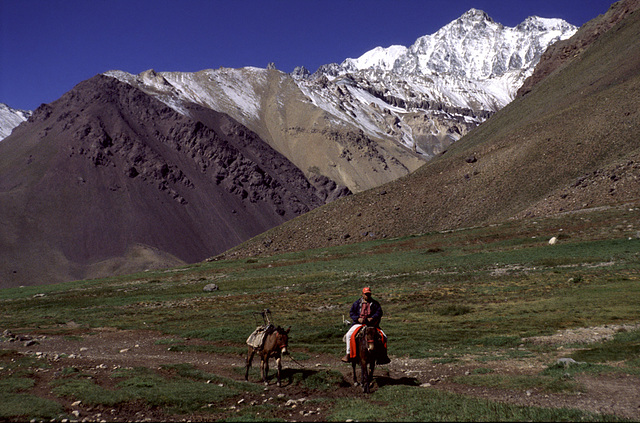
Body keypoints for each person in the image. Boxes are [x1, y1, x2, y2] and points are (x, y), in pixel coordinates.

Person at [341, 287, 390, 364]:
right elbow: (352, 313)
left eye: (369, 294)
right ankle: (348, 354)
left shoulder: (375, 304)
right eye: (366, 294)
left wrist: (372, 318)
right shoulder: (357, 303)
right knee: (348, 335)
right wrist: (358, 318)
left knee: (384, 336)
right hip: (358, 324)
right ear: (362, 294)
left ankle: (382, 356)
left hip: (372, 324)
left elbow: (379, 312)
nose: (367, 295)